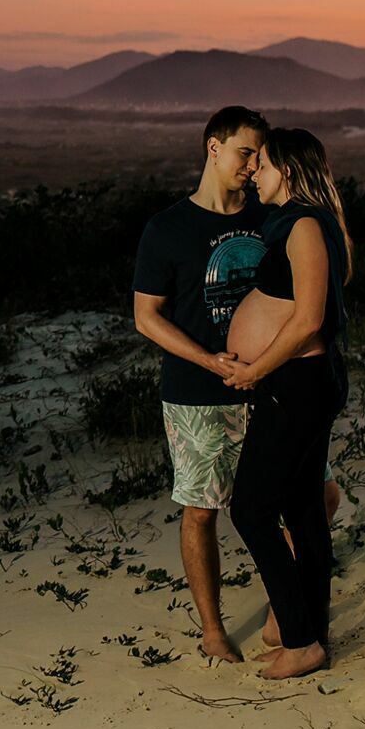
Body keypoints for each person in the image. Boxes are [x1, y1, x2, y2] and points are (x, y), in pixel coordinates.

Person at [131, 106, 271, 664]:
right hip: (197, 392)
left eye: (260, 155)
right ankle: (213, 630)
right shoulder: (168, 228)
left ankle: (283, 608)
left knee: (310, 496)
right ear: (213, 147)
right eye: (245, 152)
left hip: (269, 387)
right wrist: (211, 362)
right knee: (201, 509)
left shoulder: (269, 217)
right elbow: (147, 317)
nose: (254, 164)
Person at [222, 127, 354, 679]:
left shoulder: (303, 225)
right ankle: (310, 630)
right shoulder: (294, 222)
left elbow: (308, 320)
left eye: (265, 164)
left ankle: (300, 640)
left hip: (297, 383)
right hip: (294, 382)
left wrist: (254, 368)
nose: (255, 171)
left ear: (291, 171)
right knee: (301, 509)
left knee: (250, 508)